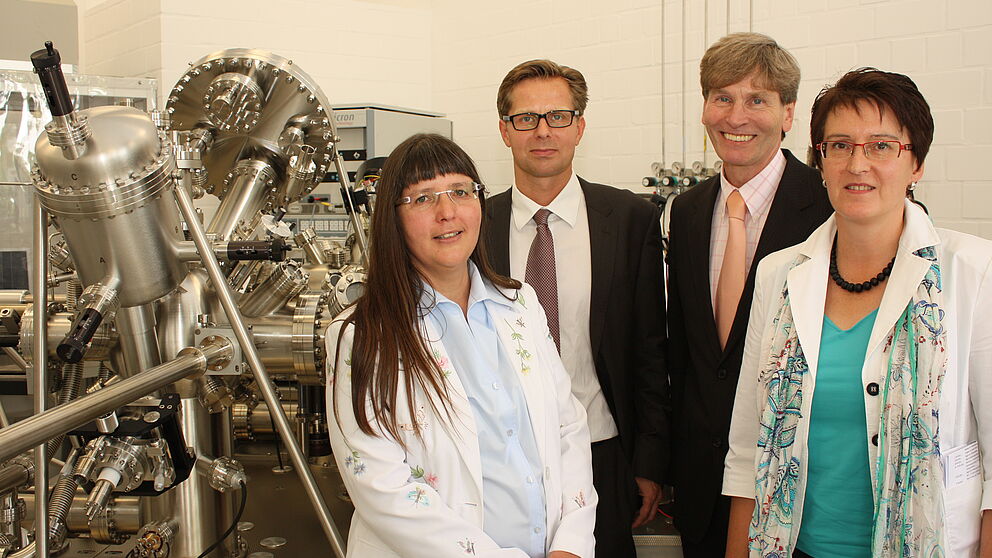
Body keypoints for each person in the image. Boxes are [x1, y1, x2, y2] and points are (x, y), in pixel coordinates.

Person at [723, 68, 992, 557]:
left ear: (916, 163)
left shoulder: (973, 272)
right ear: (821, 162)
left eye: (882, 146)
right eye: (840, 146)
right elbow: (747, 449)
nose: (857, 163)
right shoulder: (779, 274)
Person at [326, 133, 597, 558]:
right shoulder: (363, 336)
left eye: (460, 191)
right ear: (392, 218)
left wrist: (571, 544)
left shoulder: (521, 304)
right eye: (422, 198)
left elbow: (569, 429)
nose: (447, 212)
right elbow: (381, 486)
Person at [483, 59, 669, 557]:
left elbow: (650, 348)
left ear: (579, 127)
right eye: (526, 118)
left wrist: (649, 461)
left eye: (558, 116)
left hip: (601, 451)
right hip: (501, 455)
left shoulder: (630, 219)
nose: (543, 131)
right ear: (505, 130)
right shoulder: (475, 225)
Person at [665, 32, 834, 556]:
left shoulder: (828, 207)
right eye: (723, 97)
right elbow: (685, 355)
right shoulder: (686, 211)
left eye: (757, 100)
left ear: (788, 114)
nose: (736, 116)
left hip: (798, 487)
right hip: (702, 488)